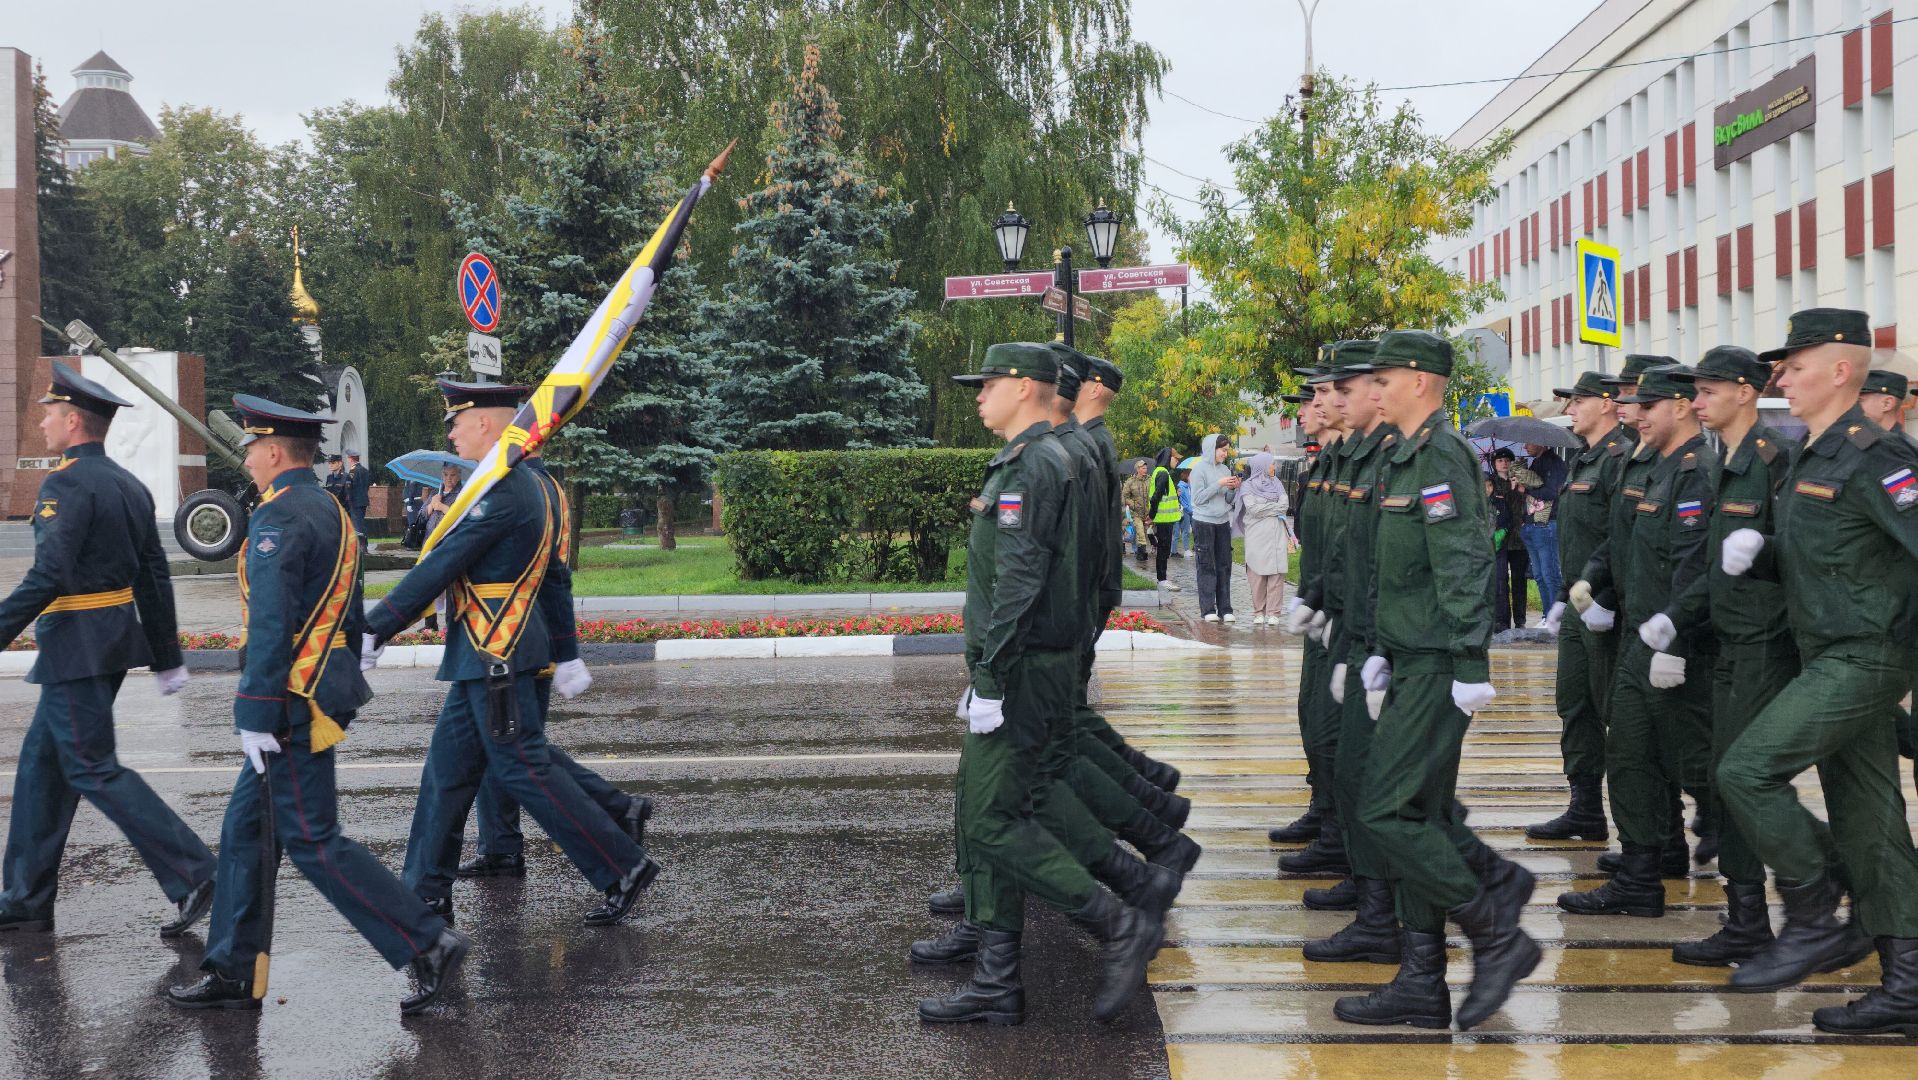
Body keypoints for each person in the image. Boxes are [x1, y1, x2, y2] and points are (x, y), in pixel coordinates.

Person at [167, 394, 465, 1014]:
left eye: (251, 448)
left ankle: (426, 941)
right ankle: (232, 969)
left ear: (275, 451)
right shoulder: (328, 506)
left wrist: (253, 713)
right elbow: (345, 605)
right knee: (247, 832)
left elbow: (272, 625)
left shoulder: (279, 519)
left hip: (293, 701)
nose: (247, 459)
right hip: (319, 688)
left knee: (312, 838)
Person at [918, 343, 1162, 1027]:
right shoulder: (1029, 461)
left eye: (987, 383)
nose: (977, 395)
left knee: (994, 818)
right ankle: (997, 970)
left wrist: (992, 676)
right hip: (1029, 662)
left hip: (1024, 665)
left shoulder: (1036, 464)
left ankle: (1120, 916)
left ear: (1023, 388)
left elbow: (1023, 581)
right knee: (1011, 803)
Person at [364, 379, 658, 928]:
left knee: (525, 769)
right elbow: (551, 579)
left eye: (458, 420)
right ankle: (425, 893)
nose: (450, 431)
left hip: (498, 651)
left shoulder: (506, 491)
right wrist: (567, 651)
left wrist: (375, 628)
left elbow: (441, 565)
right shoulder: (511, 484)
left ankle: (622, 865)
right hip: (484, 655)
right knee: (446, 778)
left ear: (487, 425)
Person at [1717, 309, 1918, 1034]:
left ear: (1841, 371)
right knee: (1872, 822)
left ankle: (1812, 913)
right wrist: (1763, 554)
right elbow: (1832, 558)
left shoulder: (1877, 458)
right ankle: (1907, 983)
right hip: (1827, 650)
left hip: (1866, 655)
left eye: (1795, 366)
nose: (1780, 378)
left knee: (1745, 771)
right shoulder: (1812, 453)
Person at [1335, 330, 1536, 1032]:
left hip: (1439, 666)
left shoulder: (1439, 454)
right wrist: (1382, 647)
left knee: (1385, 811)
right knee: (1414, 815)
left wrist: (1469, 664)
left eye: (1384, 378)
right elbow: (1403, 565)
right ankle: (1423, 979)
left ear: (1420, 381)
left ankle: (1497, 936)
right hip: (1413, 656)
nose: (1375, 388)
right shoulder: (1404, 454)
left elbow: (1461, 564)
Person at [0, 362, 215, 939]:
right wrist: (166, 653)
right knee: (45, 769)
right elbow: (153, 576)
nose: (42, 422)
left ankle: (194, 870)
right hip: (110, 643)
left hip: (78, 647)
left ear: (73, 421)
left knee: (92, 767)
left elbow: (49, 574)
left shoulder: (66, 484)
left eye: (49, 413)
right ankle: (23, 897)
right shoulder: (127, 484)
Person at [1651, 347, 1796, 966]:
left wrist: (1763, 553)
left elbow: (1802, 555)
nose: (1699, 401)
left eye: (1710, 391)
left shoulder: (1773, 460)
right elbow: (1713, 567)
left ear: (1746, 393)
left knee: (1740, 780)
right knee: (1727, 777)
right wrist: (1675, 621)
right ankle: (1748, 917)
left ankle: (1767, 915)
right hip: (1730, 642)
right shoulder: (1725, 463)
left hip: (1767, 643)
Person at [1558, 364, 1715, 918]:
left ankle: (1762, 886)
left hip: (1673, 643)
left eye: (1648, 405)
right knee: (1630, 756)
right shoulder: (1648, 466)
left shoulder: (1696, 472)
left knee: (1697, 765)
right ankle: (1642, 873)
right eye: (1633, 404)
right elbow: (1615, 540)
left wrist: (1676, 638)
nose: (1636, 413)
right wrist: (1585, 585)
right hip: (1636, 635)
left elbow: (1698, 568)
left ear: (1681, 405)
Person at [457, 444, 656, 880]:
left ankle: (618, 810)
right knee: (507, 745)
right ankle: (501, 846)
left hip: (521, 633)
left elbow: (547, 572)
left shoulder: (527, 487)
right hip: (525, 632)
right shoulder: (545, 484)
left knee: (519, 749)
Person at [1526, 372, 1631, 843]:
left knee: (1620, 714)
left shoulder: (1619, 459)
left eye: (1579, 400)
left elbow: (1621, 537)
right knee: (1576, 706)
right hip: (1577, 605)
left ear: (1608, 404)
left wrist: (1601, 600)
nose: (1570, 407)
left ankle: (1653, 826)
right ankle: (1585, 808)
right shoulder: (1585, 459)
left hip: (1606, 610)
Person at [1233, 452, 1290, 625]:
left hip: (1276, 534)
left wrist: (1266, 506)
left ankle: (1274, 613)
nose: (1274, 467)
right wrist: (1274, 507)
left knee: (1276, 573)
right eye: (1271, 464)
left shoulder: (1277, 483)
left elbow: (1285, 506)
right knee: (1257, 573)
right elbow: (1253, 509)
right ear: (1262, 466)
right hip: (1257, 535)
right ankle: (1259, 612)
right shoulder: (1247, 486)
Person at [1187, 434, 1238, 621]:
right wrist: (1218, 484)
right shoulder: (1198, 470)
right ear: (1212, 449)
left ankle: (1225, 609)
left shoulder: (1225, 469)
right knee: (1207, 565)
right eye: (1223, 450)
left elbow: (1228, 500)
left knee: (1224, 565)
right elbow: (1198, 499)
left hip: (1223, 522)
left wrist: (1232, 488)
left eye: (1226, 450)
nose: (1225, 453)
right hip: (1204, 522)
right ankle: (1208, 610)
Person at [1516, 442, 1566, 623]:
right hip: (1531, 524)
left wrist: (1526, 488)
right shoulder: (1536, 462)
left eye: (1529, 442)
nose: (1525, 447)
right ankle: (1547, 615)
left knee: (1550, 573)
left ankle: (1557, 618)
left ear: (1542, 441)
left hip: (1546, 525)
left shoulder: (1555, 463)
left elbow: (1552, 492)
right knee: (1538, 574)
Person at [1487, 448, 1530, 632]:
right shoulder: (1491, 484)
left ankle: (1520, 620)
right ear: (1494, 464)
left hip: (1520, 538)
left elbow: (1523, 508)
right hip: (1500, 539)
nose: (1504, 463)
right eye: (1500, 460)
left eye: (1507, 460)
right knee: (1500, 580)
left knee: (1520, 580)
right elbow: (1499, 509)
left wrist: (1520, 489)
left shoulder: (1521, 479)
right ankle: (1502, 621)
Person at [1146, 449, 1182, 591]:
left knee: (1163, 549)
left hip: (1164, 518)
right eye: (1175, 458)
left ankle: (1162, 579)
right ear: (1168, 458)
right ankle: (1162, 580)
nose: (1177, 461)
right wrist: (1152, 515)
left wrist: (1152, 515)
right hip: (1163, 519)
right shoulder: (1162, 473)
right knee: (1163, 550)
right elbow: (1156, 497)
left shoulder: (1160, 472)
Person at [1120, 459, 1151, 564]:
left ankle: (1140, 551)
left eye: (1146, 468)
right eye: (1143, 468)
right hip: (1136, 512)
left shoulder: (1150, 480)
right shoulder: (1130, 481)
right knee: (1140, 532)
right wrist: (1132, 505)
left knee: (1145, 533)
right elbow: (1124, 496)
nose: (1145, 470)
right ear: (1138, 469)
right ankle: (1141, 553)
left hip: (1148, 513)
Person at [346, 450, 371, 543]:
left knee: (357, 524)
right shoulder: (365, 470)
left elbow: (349, 487)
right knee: (361, 522)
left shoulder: (352, 470)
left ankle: (362, 546)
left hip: (355, 501)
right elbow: (367, 486)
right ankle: (365, 543)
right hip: (364, 500)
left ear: (350, 459)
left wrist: (348, 498)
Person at [1173, 471, 1194, 557]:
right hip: (1185, 511)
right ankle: (1186, 549)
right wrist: (1188, 509)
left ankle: (1195, 547)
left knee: (1195, 530)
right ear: (1186, 477)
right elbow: (1181, 500)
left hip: (1192, 511)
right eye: (1190, 476)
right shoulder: (1180, 487)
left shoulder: (1190, 487)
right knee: (1186, 531)